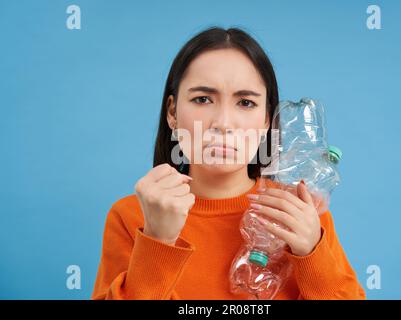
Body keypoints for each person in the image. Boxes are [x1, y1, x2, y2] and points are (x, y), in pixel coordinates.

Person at [91, 26, 366, 300]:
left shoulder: (299, 212)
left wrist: (311, 256)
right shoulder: (132, 217)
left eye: (245, 103)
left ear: (267, 120)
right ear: (173, 113)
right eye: (202, 99)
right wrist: (158, 241)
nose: (223, 123)